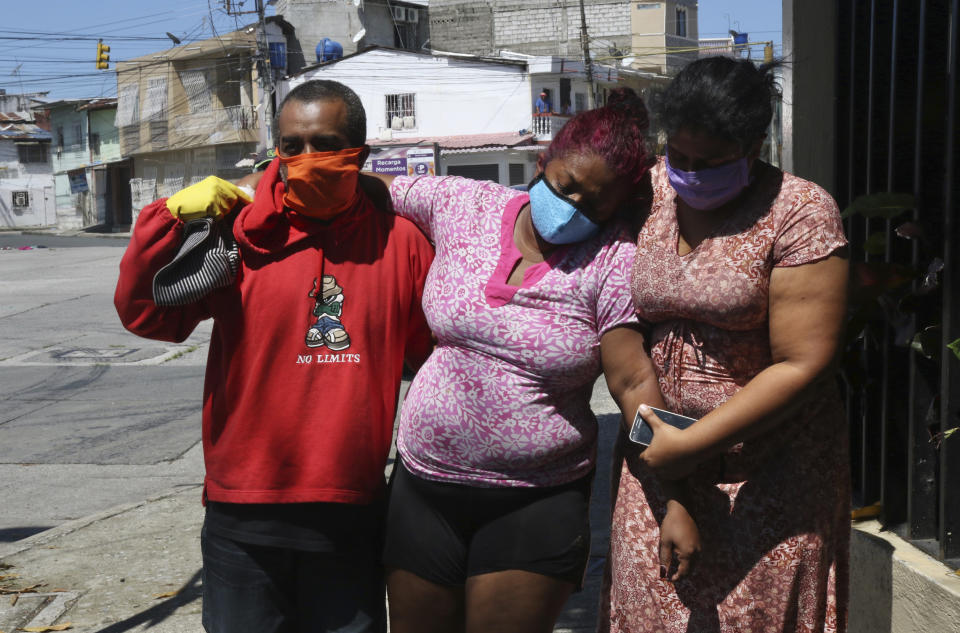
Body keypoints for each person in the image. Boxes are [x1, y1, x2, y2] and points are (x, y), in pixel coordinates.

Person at [370, 88, 698, 633]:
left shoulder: (613, 261)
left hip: (534, 503)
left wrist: (677, 500)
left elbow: (633, 378)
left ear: (615, 207)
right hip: (423, 488)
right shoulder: (464, 204)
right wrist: (267, 188)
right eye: (565, 185)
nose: (571, 208)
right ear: (543, 161)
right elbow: (371, 190)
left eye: (593, 204)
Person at [114, 79, 435, 633]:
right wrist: (169, 218)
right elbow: (147, 314)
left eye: (325, 143)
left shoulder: (399, 242)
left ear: (358, 151)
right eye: (292, 146)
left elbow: (437, 362)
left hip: (350, 512)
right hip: (244, 512)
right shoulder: (237, 237)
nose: (306, 159)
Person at [602, 57, 850, 632]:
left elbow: (803, 361)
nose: (687, 172)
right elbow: (624, 341)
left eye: (708, 162)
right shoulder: (650, 193)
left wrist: (695, 445)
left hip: (768, 472)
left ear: (753, 144)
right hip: (655, 461)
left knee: (754, 616)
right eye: (678, 156)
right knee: (653, 610)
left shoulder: (800, 212)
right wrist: (672, 474)